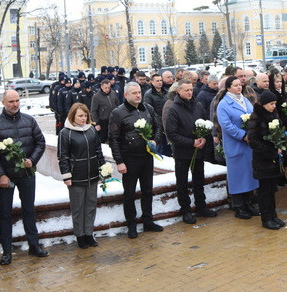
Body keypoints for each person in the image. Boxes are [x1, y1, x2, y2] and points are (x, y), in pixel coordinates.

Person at [0, 89, 49, 265]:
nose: (15, 104)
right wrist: (1, 175)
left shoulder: (29, 120)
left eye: (17, 100)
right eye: (11, 101)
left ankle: (34, 245)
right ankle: (7, 251)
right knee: (5, 214)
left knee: (29, 210)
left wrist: (32, 160)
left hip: (26, 174)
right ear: (3, 102)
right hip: (6, 178)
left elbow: (40, 142)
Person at [109, 82, 164, 238]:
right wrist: (119, 161)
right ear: (126, 95)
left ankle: (148, 221)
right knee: (130, 194)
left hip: (147, 157)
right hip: (129, 159)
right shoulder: (118, 113)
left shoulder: (148, 109)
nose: (138, 95)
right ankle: (131, 225)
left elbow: (158, 126)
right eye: (134, 93)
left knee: (148, 191)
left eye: (139, 92)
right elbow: (113, 139)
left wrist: (155, 141)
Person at [165, 80, 218, 225]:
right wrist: (191, 142)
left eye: (191, 90)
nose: (189, 92)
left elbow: (206, 122)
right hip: (182, 153)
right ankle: (186, 210)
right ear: (179, 92)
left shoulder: (198, 105)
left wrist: (204, 138)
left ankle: (201, 206)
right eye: (186, 90)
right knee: (182, 183)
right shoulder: (174, 109)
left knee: (199, 180)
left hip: (198, 151)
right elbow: (171, 133)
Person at [58, 103, 104, 249]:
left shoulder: (91, 129)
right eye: (80, 116)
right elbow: (62, 156)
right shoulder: (66, 133)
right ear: (73, 116)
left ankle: (89, 234)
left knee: (91, 206)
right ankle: (80, 235)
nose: (83, 119)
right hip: (76, 176)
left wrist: (102, 167)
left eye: (85, 115)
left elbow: (98, 149)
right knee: (78, 208)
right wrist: (67, 176)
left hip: (92, 174)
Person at [216, 76, 259, 219]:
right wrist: (243, 135)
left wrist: (252, 132)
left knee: (248, 174)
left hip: (248, 145)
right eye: (235, 86)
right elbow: (226, 125)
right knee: (237, 176)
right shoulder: (223, 104)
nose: (239, 87)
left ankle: (248, 203)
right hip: (236, 144)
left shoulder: (245, 100)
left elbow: (253, 115)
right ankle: (238, 205)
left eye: (240, 85)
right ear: (228, 88)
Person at [246, 90, 286, 230]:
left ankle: (273, 215)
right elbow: (253, 141)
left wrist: (280, 144)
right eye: (271, 104)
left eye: (275, 103)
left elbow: (280, 132)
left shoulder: (273, 114)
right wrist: (270, 151)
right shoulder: (256, 116)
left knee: (272, 189)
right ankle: (266, 218)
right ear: (263, 104)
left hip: (273, 159)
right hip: (263, 160)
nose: (274, 106)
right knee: (264, 191)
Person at [90, 79, 118, 144]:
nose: (107, 89)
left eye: (108, 87)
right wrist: (97, 123)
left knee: (114, 137)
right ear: (101, 87)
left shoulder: (113, 93)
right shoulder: (96, 96)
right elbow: (93, 111)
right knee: (102, 139)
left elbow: (117, 105)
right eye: (105, 88)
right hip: (103, 120)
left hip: (113, 119)